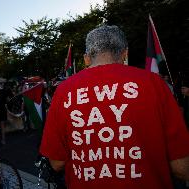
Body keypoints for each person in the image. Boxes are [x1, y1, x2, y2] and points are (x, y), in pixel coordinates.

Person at [40, 25, 189, 189]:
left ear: (86, 59)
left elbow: (56, 163)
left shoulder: (63, 91)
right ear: (125, 54)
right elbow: (182, 168)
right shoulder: (155, 84)